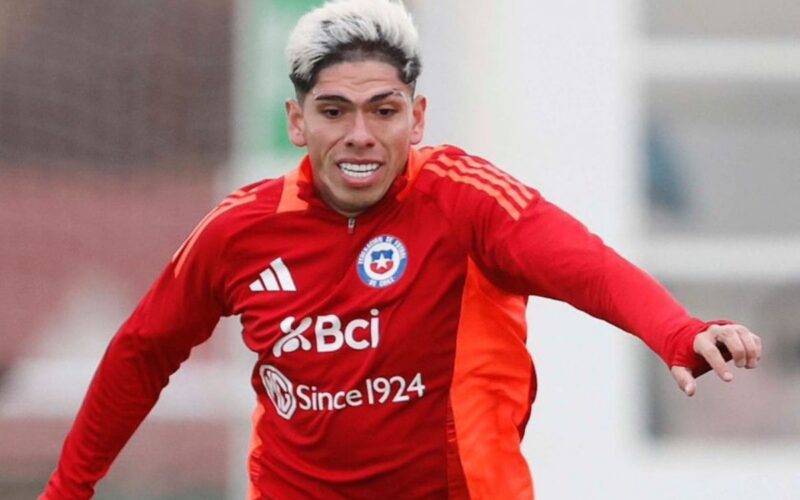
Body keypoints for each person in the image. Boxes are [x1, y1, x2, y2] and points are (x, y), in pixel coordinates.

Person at [41, 0, 762, 498]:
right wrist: (67, 490)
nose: (360, 134)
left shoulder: (467, 199)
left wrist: (677, 331)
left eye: (383, 111)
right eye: (334, 111)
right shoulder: (238, 231)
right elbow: (143, 349)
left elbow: (586, 264)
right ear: (297, 122)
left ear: (415, 118)